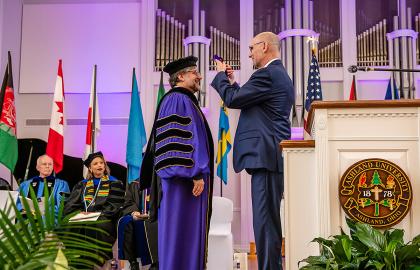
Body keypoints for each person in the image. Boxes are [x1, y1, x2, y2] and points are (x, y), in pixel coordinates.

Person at [211, 31, 295, 270]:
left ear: (265, 46)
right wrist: (233, 82)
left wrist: (220, 76)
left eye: (251, 49)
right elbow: (247, 98)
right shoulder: (275, 74)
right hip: (268, 157)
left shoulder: (267, 74)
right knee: (266, 222)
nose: (249, 54)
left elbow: (234, 100)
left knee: (266, 223)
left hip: (266, 156)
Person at [140, 55, 214, 270]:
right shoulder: (178, 99)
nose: (199, 76)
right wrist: (196, 172)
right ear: (180, 76)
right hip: (184, 182)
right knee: (181, 234)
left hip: (185, 180)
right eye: (194, 72)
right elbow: (179, 141)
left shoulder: (184, 100)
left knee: (185, 234)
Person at [64, 151, 125, 264]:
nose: (99, 165)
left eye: (101, 163)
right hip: (84, 216)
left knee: (97, 223)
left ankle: (97, 259)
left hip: (104, 217)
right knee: (72, 222)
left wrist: (96, 214)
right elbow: (71, 205)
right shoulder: (82, 184)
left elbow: (115, 206)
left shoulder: (114, 183)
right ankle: (76, 260)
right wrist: (80, 213)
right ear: (90, 168)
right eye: (95, 163)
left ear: (105, 166)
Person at [117, 180, 158, 270]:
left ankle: (155, 262)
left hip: (157, 215)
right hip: (138, 214)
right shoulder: (135, 183)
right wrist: (134, 212)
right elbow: (128, 201)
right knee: (125, 222)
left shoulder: (161, 182)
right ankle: (132, 262)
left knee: (153, 225)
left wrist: (153, 213)